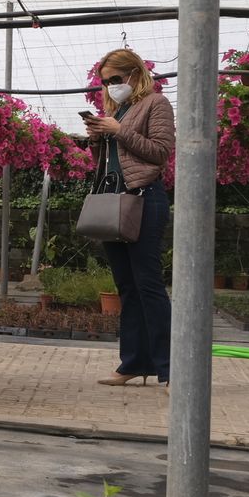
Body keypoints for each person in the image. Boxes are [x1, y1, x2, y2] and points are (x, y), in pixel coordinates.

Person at [82, 49, 175, 388]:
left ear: (135, 75)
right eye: (105, 82)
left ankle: (168, 368)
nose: (110, 87)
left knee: (148, 284)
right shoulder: (116, 110)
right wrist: (97, 139)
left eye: (115, 80)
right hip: (114, 200)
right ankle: (133, 363)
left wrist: (118, 131)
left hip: (144, 200)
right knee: (127, 287)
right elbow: (111, 162)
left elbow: (161, 152)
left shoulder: (155, 104)